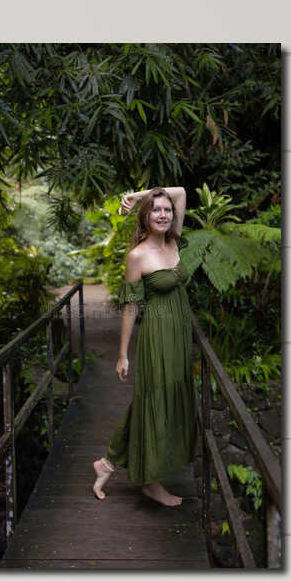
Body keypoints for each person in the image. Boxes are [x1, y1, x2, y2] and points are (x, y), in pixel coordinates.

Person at [92, 186, 200, 506]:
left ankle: (108, 463)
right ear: (145, 217)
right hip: (156, 337)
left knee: (159, 400)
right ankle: (151, 484)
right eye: (156, 210)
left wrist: (139, 195)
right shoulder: (137, 256)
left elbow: (180, 192)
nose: (164, 214)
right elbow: (130, 307)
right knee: (154, 402)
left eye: (167, 210)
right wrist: (123, 354)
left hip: (180, 336)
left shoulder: (174, 240)